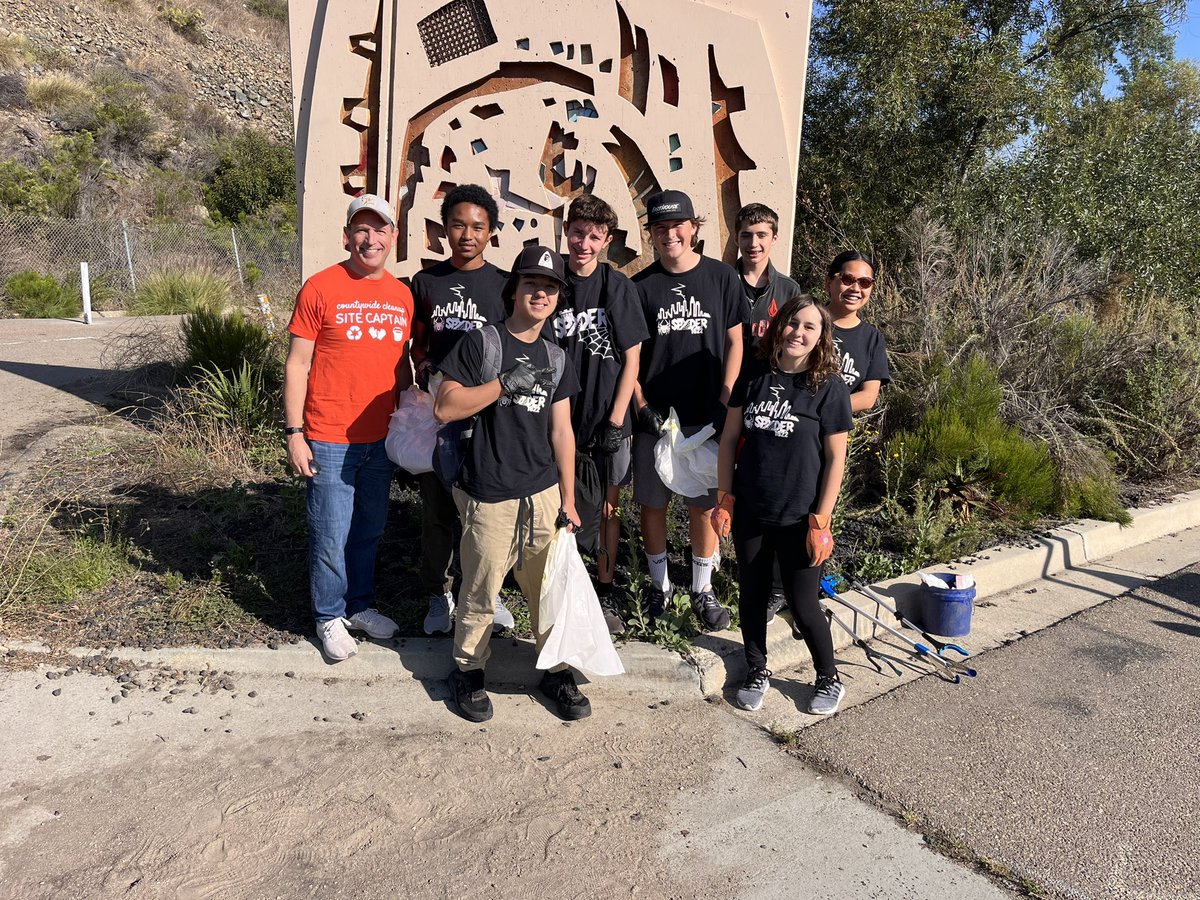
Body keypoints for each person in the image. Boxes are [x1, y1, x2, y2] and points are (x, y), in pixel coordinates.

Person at [434, 245, 585, 723]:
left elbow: (562, 430)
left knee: (547, 589)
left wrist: (569, 497)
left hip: (541, 492)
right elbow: (444, 406)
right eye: (531, 284)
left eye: (550, 287)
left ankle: (555, 669)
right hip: (489, 491)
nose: (540, 294)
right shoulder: (483, 343)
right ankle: (468, 672)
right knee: (480, 589)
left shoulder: (556, 357)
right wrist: (503, 384)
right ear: (514, 290)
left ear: (558, 297)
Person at [284, 193, 414, 661]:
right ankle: (328, 615)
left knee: (369, 530)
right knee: (330, 532)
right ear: (346, 236)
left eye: (380, 230)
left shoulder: (402, 296)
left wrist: (407, 422)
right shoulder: (320, 288)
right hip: (329, 436)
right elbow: (298, 364)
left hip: (381, 439)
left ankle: (360, 606)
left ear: (393, 239)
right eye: (361, 229)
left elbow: (402, 366)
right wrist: (295, 433)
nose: (370, 238)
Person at [713, 294, 853, 714]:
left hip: (800, 516)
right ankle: (757, 669)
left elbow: (835, 459)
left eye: (810, 327)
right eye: (793, 323)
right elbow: (728, 441)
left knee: (803, 602)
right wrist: (725, 498)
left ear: (821, 337)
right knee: (753, 595)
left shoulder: (829, 388)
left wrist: (821, 521)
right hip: (752, 509)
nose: (798, 332)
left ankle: (829, 677)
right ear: (779, 327)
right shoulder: (755, 376)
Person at [632, 189, 746, 630]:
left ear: (694, 228)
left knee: (703, 505)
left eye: (677, 226)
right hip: (657, 418)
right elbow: (632, 356)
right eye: (659, 229)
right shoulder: (641, 287)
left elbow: (736, 342)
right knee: (652, 503)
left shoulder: (721, 278)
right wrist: (641, 406)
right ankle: (659, 585)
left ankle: (702, 588)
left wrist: (726, 399)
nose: (669, 235)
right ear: (652, 235)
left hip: (707, 415)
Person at [410, 183, 515, 635]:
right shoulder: (426, 282)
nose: (466, 234)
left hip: (490, 414)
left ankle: (487, 592)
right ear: (444, 228)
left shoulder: (506, 285)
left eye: (477, 226)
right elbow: (415, 344)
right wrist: (420, 373)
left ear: (491, 232)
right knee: (437, 508)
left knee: (486, 509)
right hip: (440, 413)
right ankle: (438, 594)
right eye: (458, 224)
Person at [550, 194, 649, 635]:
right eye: (577, 232)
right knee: (560, 505)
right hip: (560, 419)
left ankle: (604, 589)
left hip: (609, 419)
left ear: (606, 240)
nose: (583, 243)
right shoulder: (550, 280)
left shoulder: (616, 287)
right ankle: (562, 587)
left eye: (593, 236)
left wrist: (616, 419)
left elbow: (632, 360)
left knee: (609, 507)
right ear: (565, 231)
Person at [826, 251, 890, 413]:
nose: (855, 288)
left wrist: (819, 408)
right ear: (828, 282)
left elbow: (868, 397)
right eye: (847, 279)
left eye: (865, 282)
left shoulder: (872, 338)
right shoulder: (804, 322)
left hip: (835, 431)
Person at [734, 203, 802, 343]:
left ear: (774, 239)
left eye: (761, 235)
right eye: (746, 235)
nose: (753, 243)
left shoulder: (789, 289)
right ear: (736, 239)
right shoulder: (721, 283)